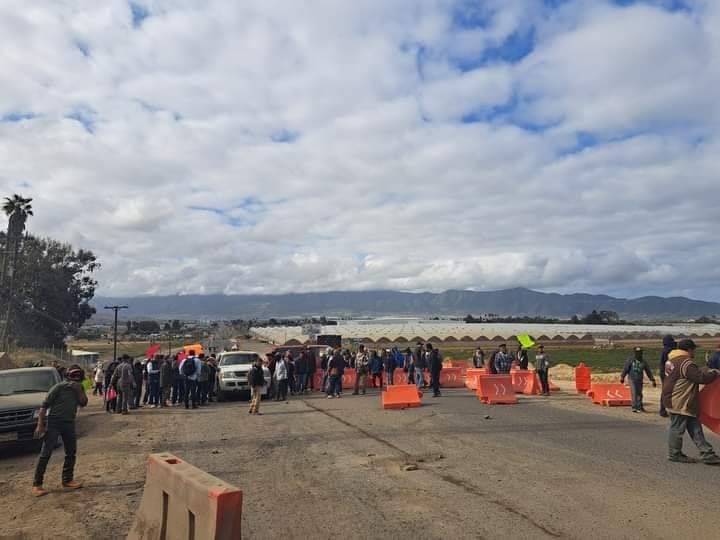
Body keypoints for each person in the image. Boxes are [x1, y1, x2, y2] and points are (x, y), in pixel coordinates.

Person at [31, 365, 88, 497]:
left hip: (69, 423)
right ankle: (37, 484)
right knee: (46, 453)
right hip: (54, 423)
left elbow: (83, 403)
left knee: (71, 452)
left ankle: (67, 480)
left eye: (78, 375)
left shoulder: (79, 388)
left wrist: (78, 390)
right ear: (68, 375)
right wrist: (40, 425)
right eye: (73, 375)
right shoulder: (58, 387)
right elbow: (44, 406)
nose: (76, 377)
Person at [662, 339, 720, 464]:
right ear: (688, 350)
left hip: (674, 398)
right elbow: (700, 378)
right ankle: (674, 454)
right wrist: (714, 373)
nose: (694, 352)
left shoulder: (671, 360)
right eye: (693, 349)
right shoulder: (686, 363)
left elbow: (692, 375)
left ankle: (707, 453)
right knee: (677, 428)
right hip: (680, 400)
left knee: (695, 427)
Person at [620, 347, 657, 413]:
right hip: (632, 379)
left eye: (640, 353)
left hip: (639, 379)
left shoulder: (644, 361)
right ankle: (634, 407)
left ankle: (640, 407)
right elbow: (626, 369)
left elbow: (648, 371)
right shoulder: (631, 360)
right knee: (634, 392)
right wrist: (622, 377)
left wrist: (652, 380)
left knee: (639, 393)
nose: (639, 355)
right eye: (637, 353)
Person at [658, 335, 676, 417]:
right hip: (667, 373)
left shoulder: (664, 350)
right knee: (669, 392)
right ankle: (665, 410)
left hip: (663, 373)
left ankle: (663, 409)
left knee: (665, 391)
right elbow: (669, 364)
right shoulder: (668, 351)